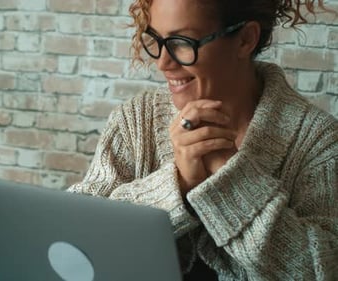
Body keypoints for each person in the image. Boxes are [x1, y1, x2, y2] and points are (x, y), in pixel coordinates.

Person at [67, 0, 338, 280]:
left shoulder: (318, 142)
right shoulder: (135, 121)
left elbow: (322, 271)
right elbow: (76, 235)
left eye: (182, 42)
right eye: (156, 39)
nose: (163, 63)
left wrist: (229, 176)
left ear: (245, 39)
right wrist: (178, 183)